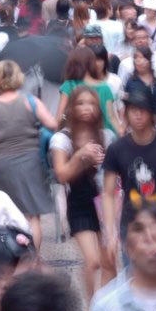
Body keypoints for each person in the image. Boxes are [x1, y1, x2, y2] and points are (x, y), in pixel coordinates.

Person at [0, 60, 57, 252]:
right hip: (31, 161)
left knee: (8, 213)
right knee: (32, 216)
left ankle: (13, 256)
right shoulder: (30, 101)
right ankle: (33, 258)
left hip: (1, 163)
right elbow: (53, 124)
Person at [102, 84, 156, 256]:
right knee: (133, 280)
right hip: (131, 225)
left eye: (143, 109)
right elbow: (108, 194)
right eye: (133, 109)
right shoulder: (116, 149)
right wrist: (111, 234)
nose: (138, 114)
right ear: (126, 112)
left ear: (151, 112)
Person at [50, 86, 117, 299]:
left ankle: (108, 306)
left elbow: (115, 173)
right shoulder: (63, 139)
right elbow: (61, 175)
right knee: (93, 261)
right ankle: (93, 305)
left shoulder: (107, 137)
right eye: (80, 103)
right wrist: (80, 155)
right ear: (72, 108)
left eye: (91, 103)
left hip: (104, 202)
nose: (87, 108)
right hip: (79, 203)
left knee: (109, 261)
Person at [55, 46, 122, 134]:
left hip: (77, 134)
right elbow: (111, 117)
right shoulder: (105, 87)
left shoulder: (69, 85)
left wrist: (60, 126)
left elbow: (61, 115)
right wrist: (120, 135)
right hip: (104, 135)